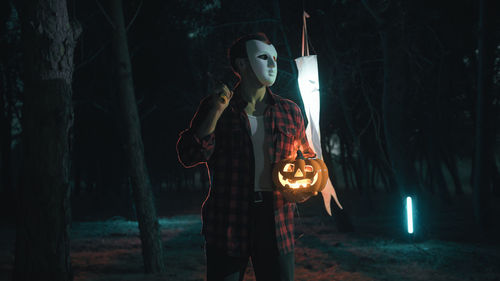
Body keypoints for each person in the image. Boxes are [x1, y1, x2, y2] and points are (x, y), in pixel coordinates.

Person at [176, 33, 316, 281]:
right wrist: (216, 111)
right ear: (242, 64)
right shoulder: (219, 108)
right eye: (263, 57)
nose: (273, 64)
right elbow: (189, 154)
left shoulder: (289, 111)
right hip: (228, 219)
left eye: (274, 58)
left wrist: (306, 184)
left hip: (277, 220)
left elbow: (306, 157)